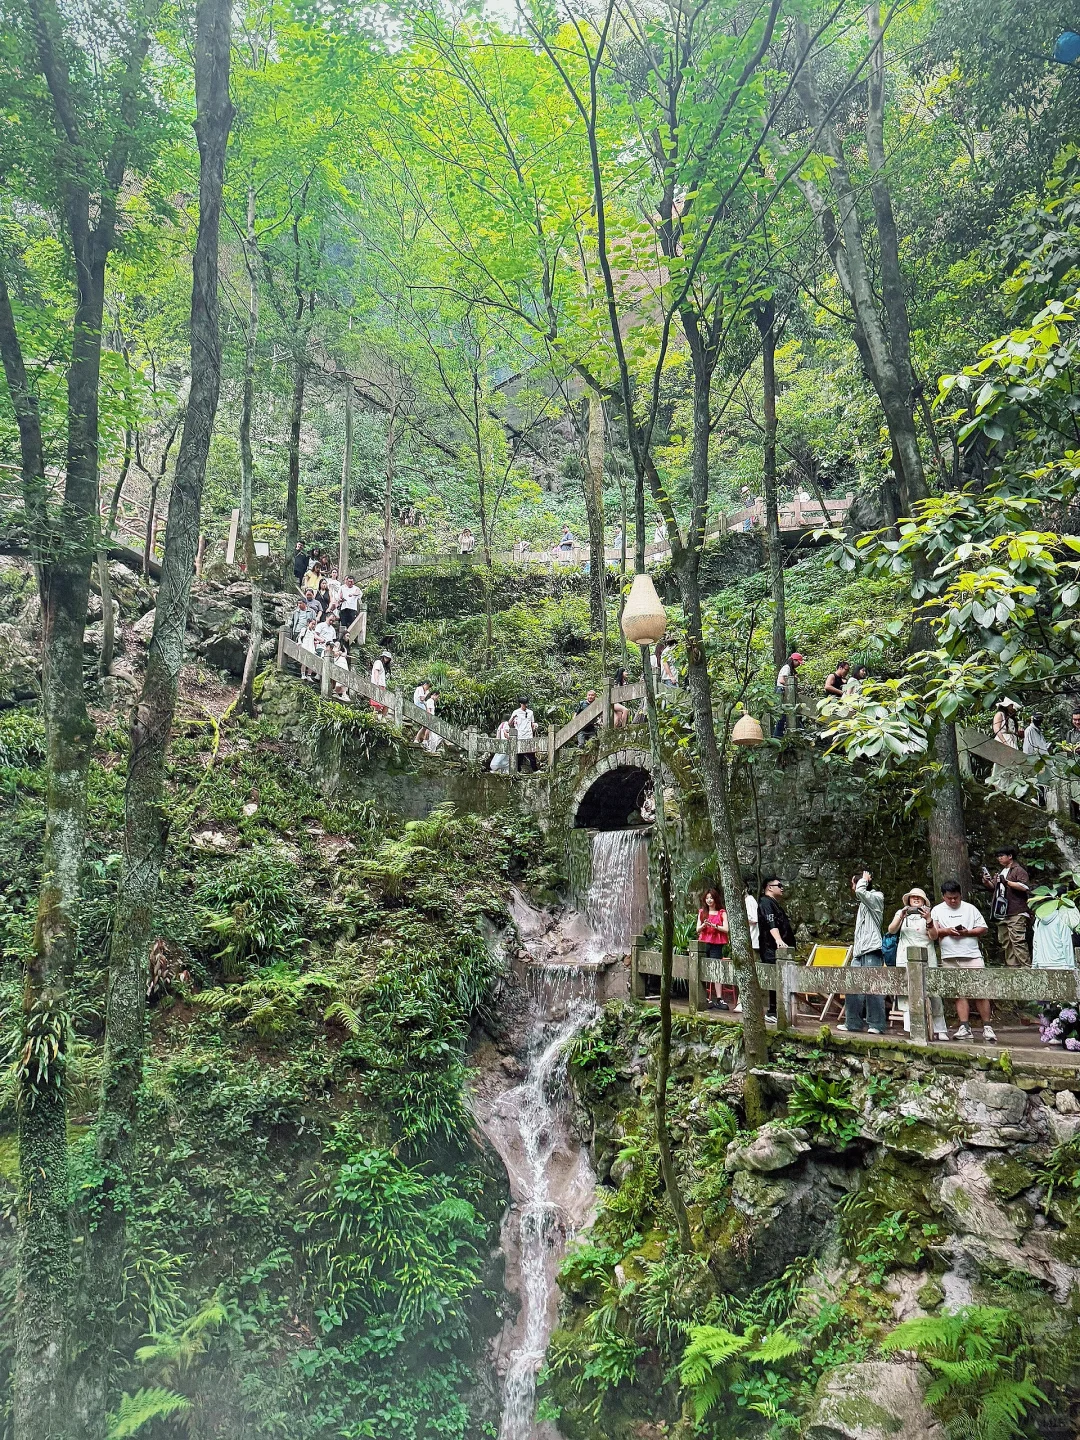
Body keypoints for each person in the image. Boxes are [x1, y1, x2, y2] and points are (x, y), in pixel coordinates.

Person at [928, 881, 995, 1043]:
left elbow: (982, 928)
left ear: (960, 895)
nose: (953, 901)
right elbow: (934, 933)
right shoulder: (937, 910)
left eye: (955, 898)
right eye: (949, 898)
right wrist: (946, 930)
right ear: (943, 896)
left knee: (980, 991)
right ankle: (964, 1026)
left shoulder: (970, 909)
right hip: (949, 956)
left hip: (972, 955)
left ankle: (987, 1026)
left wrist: (967, 932)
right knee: (958, 993)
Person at [886, 887, 951, 1041]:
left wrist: (928, 919)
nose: (915, 899)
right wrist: (901, 916)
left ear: (923, 901)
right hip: (905, 955)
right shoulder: (901, 912)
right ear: (908, 900)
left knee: (933, 991)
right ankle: (911, 1027)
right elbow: (891, 930)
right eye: (913, 897)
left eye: (919, 898)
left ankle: (940, 1028)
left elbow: (934, 936)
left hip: (926, 954)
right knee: (907, 992)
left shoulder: (931, 913)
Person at [838, 871, 886, 1035]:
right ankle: (853, 1023)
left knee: (873, 988)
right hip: (860, 951)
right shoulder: (863, 903)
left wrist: (864, 880)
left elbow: (860, 892)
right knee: (852, 985)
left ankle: (877, 1025)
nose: (853, 888)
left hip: (872, 949)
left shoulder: (876, 897)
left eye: (853, 883)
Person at [980, 845, 1031, 967]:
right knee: (1006, 941)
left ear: (1010, 856)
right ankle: (1013, 967)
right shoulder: (1002, 872)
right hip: (1002, 913)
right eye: (998, 856)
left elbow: (1025, 887)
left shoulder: (1018, 870)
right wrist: (987, 881)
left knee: (1018, 941)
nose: (999, 859)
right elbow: (993, 887)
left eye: (1001, 856)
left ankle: (1026, 967)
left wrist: (1007, 882)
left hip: (1016, 912)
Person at [757, 877, 795, 1022]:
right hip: (770, 948)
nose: (782, 887)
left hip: (779, 948)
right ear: (769, 887)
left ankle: (780, 1010)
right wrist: (778, 940)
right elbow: (770, 921)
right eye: (779, 885)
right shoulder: (765, 902)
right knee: (774, 978)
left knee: (781, 978)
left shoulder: (774, 903)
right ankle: (773, 1011)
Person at [697, 889, 729, 1010]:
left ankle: (719, 998)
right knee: (703, 968)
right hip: (704, 942)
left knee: (716, 968)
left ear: (716, 899)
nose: (709, 900)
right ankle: (704, 996)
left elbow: (726, 929)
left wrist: (715, 926)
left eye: (711, 897)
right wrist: (704, 925)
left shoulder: (722, 913)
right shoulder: (702, 912)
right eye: (707, 898)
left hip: (717, 943)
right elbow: (697, 929)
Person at [1032, 891, 1080, 971]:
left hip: (1042, 963)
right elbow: (1066, 942)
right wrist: (1071, 966)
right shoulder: (1063, 917)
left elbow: (1035, 942)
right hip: (1061, 964)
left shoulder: (1039, 918)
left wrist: (1034, 964)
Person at [772, 652, 805, 738]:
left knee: (788, 714)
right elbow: (782, 680)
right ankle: (777, 736)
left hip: (785, 691)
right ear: (793, 660)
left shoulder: (790, 669)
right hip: (781, 691)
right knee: (782, 715)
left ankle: (782, 735)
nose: (799, 665)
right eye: (798, 662)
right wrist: (792, 683)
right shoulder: (786, 667)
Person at [510, 699, 538, 771]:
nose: (526, 705)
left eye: (526, 703)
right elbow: (509, 723)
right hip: (520, 736)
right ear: (521, 704)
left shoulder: (530, 712)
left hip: (528, 735)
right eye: (524, 704)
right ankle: (517, 771)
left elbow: (532, 724)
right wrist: (513, 717)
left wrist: (534, 727)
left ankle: (535, 770)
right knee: (519, 755)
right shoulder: (516, 712)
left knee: (531, 754)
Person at [369, 651, 391, 715]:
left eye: (388, 658)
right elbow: (376, 672)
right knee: (377, 704)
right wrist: (376, 684)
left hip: (381, 685)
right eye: (386, 657)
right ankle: (375, 718)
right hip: (378, 685)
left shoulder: (381, 664)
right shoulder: (378, 662)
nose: (387, 659)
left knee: (383, 703)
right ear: (383, 657)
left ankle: (381, 717)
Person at [412, 680, 432, 745]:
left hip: (421, 706)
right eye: (428, 687)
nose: (428, 689)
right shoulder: (420, 688)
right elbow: (422, 699)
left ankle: (420, 739)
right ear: (425, 684)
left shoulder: (421, 689)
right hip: (419, 706)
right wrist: (426, 693)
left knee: (425, 725)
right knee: (425, 725)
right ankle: (418, 739)